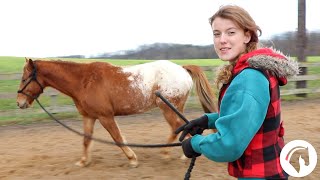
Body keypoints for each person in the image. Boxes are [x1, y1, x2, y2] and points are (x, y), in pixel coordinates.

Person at [175, 5, 299, 180]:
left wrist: (195, 144)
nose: (222, 40)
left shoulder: (248, 79)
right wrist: (208, 120)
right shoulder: (256, 70)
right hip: (270, 169)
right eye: (217, 34)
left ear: (247, 36)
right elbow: (247, 116)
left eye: (231, 32)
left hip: (258, 174)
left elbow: (228, 146)